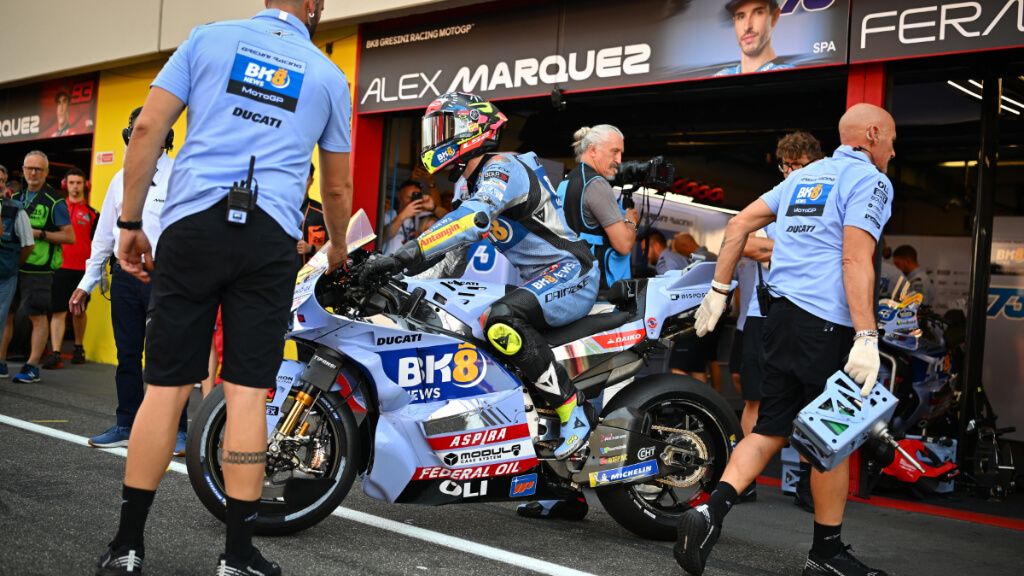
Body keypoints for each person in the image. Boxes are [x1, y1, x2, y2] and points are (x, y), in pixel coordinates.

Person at [94, 2, 353, 575]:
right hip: (269, 237)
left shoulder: (207, 39)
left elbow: (146, 129)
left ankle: (128, 547)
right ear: (315, 8)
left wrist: (130, 224)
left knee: (164, 386)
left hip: (192, 226)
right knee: (246, 393)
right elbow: (337, 188)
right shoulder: (331, 76)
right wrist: (336, 248)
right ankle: (237, 556)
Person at [675, 103, 896, 576]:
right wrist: (866, 335)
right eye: (892, 142)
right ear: (874, 134)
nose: (893, 152)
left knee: (769, 428)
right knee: (831, 437)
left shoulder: (803, 178)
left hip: (779, 320)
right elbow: (856, 260)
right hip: (827, 326)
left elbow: (737, 225)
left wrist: (718, 291)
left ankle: (707, 511)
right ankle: (827, 554)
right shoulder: (871, 180)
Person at [368, 91, 597, 462]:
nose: (435, 137)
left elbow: (472, 221)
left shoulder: (503, 169)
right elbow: (451, 253)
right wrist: (398, 282)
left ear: (471, 129)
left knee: (500, 320)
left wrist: (401, 257)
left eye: (444, 127)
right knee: (465, 322)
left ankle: (575, 410)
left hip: (573, 274)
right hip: (539, 281)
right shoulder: (470, 185)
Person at [73, 107, 190, 456]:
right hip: (124, 278)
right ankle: (126, 425)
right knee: (127, 356)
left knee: (166, 356)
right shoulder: (119, 178)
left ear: (164, 137)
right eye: (133, 132)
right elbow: (103, 238)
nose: (135, 138)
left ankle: (177, 431)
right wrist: (86, 282)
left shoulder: (180, 175)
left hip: (165, 279)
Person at [732, 130, 824, 508]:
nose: (791, 172)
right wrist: (800, 248)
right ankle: (744, 481)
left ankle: (805, 483)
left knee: (808, 404)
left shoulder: (825, 197)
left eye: (799, 165)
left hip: (811, 314)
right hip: (762, 313)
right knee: (755, 401)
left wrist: (778, 251)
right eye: (787, 165)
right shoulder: (776, 198)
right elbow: (748, 243)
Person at [3, 151, 75, 384]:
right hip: (13, 267)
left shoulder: (55, 201)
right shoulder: (14, 196)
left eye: (38, 169)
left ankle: (32, 366)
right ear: (22, 170)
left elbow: (69, 236)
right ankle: (1, 363)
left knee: (37, 316)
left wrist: (38, 234)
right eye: (29, 168)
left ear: (46, 172)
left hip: (39, 269)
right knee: (7, 316)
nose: (33, 173)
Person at [559, 124, 639, 294]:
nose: (619, 160)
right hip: (596, 290)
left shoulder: (567, 181)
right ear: (593, 150)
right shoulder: (597, 184)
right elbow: (624, 244)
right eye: (614, 151)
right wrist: (631, 221)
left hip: (567, 281)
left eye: (621, 153)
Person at [44, 167, 98, 369]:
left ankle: (78, 347)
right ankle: (56, 352)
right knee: (58, 310)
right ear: (65, 185)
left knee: (78, 311)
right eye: (72, 182)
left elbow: (99, 243)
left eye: (79, 182)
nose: (75, 186)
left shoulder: (92, 214)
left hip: (83, 271)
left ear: (86, 185)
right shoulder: (58, 209)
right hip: (60, 267)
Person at [0, 191, 35, 374]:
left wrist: (14, 265)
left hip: (5, 275)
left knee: (2, 319)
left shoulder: (15, 209)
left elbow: (28, 244)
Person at [715, 1, 792, 76]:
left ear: (774, 17)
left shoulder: (789, 76)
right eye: (741, 16)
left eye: (758, 12)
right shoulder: (721, 77)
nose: (747, 26)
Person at [383, 179, 445, 253]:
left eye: (415, 197)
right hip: (390, 261)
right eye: (409, 197)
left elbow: (451, 220)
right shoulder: (388, 215)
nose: (412, 201)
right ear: (399, 196)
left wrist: (434, 208)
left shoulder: (422, 217)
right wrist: (402, 216)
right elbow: (384, 236)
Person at [296, 163, 327, 266]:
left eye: (306, 179)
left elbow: (333, 248)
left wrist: (311, 248)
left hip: (309, 277)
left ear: (312, 181)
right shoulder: (280, 209)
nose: (301, 183)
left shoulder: (321, 212)